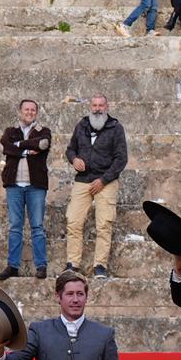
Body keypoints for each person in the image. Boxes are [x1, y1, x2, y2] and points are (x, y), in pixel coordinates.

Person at [63, 96, 127, 278]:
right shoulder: (81, 126)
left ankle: (100, 266)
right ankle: (72, 264)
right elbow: (70, 149)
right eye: (94, 105)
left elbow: (121, 158)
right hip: (82, 180)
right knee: (73, 222)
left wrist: (104, 180)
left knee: (104, 225)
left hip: (105, 182)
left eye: (101, 105)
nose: (97, 109)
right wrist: (74, 159)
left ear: (107, 107)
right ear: (90, 107)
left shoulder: (116, 128)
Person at [0, 100, 53, 281]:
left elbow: (43, 144)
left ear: (36, 112)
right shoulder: (10, 131)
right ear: (20, 111)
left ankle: (41, 265)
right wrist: (27, 150)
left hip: (35, 186)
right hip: (14, 185)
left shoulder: (43, 131)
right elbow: (5, 146)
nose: (29, 112)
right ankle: (13, 266)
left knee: (37, 226)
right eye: (26, 109)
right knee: (15, 227)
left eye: (33, 110)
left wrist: (18, 146)